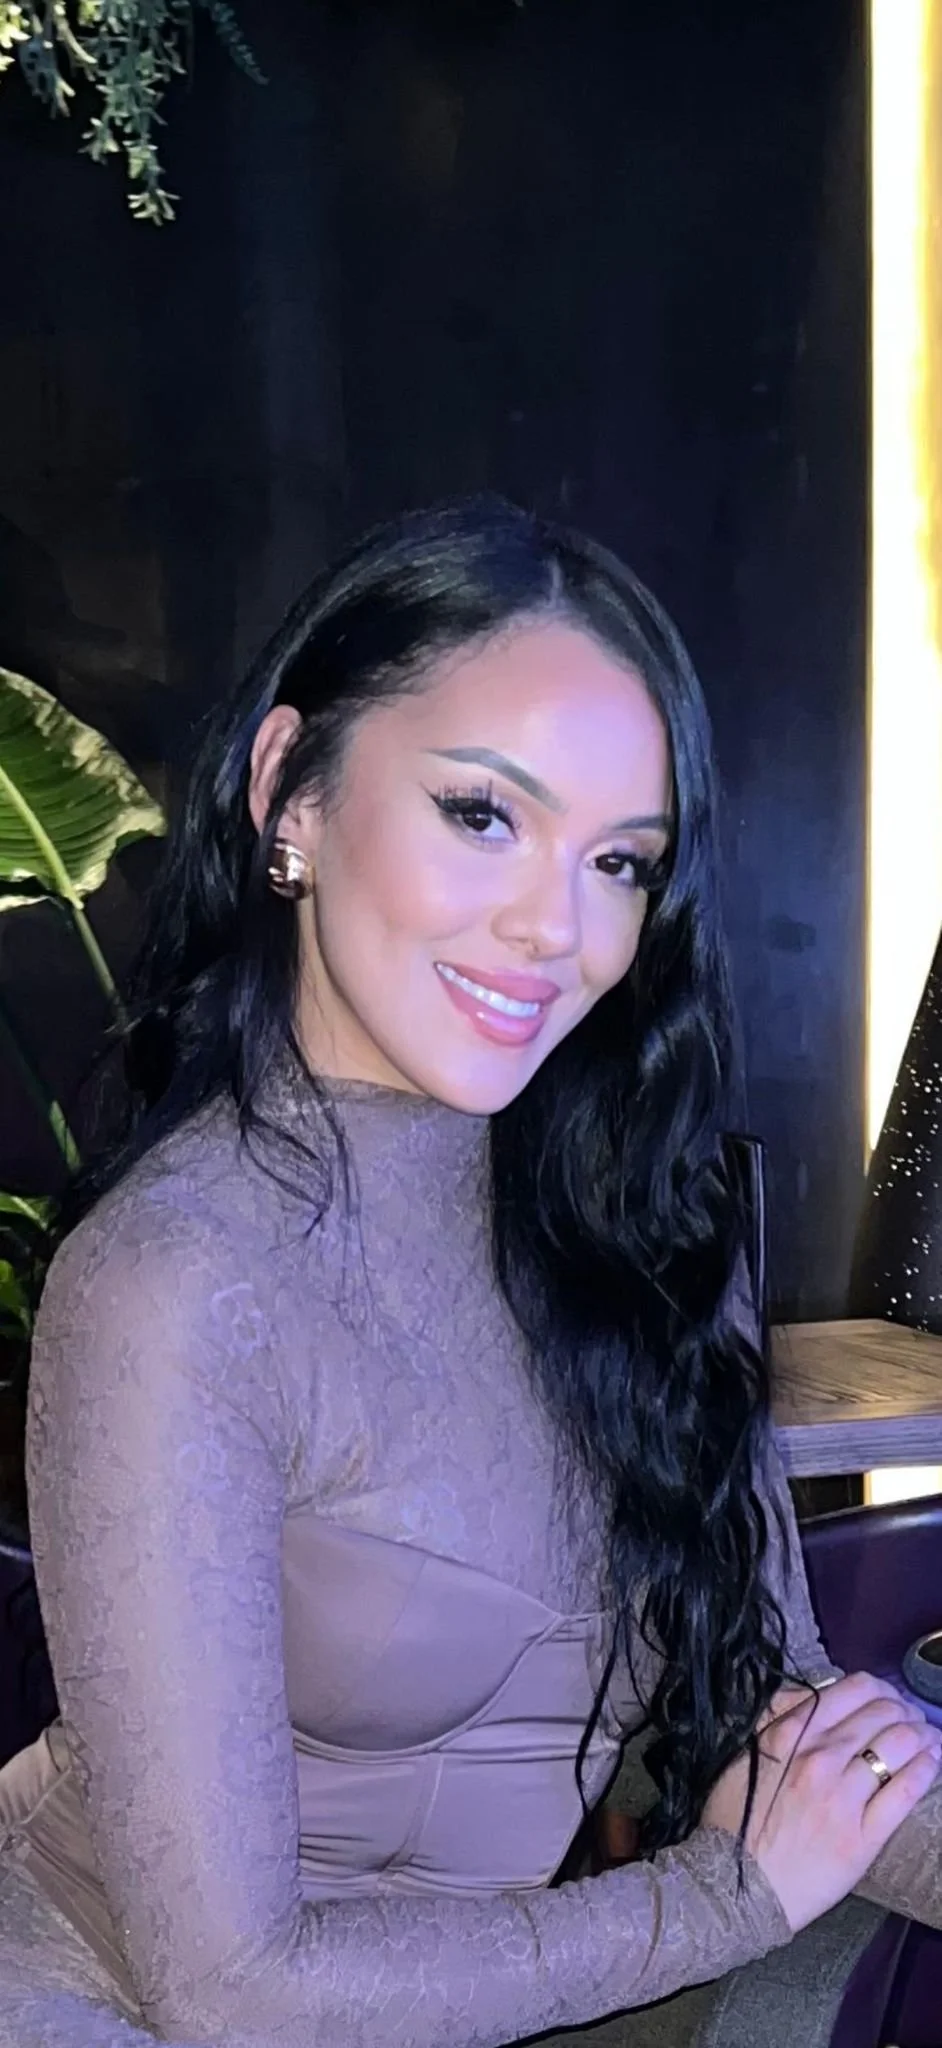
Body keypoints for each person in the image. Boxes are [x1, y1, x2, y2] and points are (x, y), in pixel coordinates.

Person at [0, 496, 939, 2048]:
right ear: (289, 793)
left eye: (619, 861)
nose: (552, 929)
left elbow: (774, 1725)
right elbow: (228, 1990)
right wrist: (722, 1901)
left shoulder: (643, 1228)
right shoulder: (178, 1285)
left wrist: (792, 1852)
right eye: (482, 816)